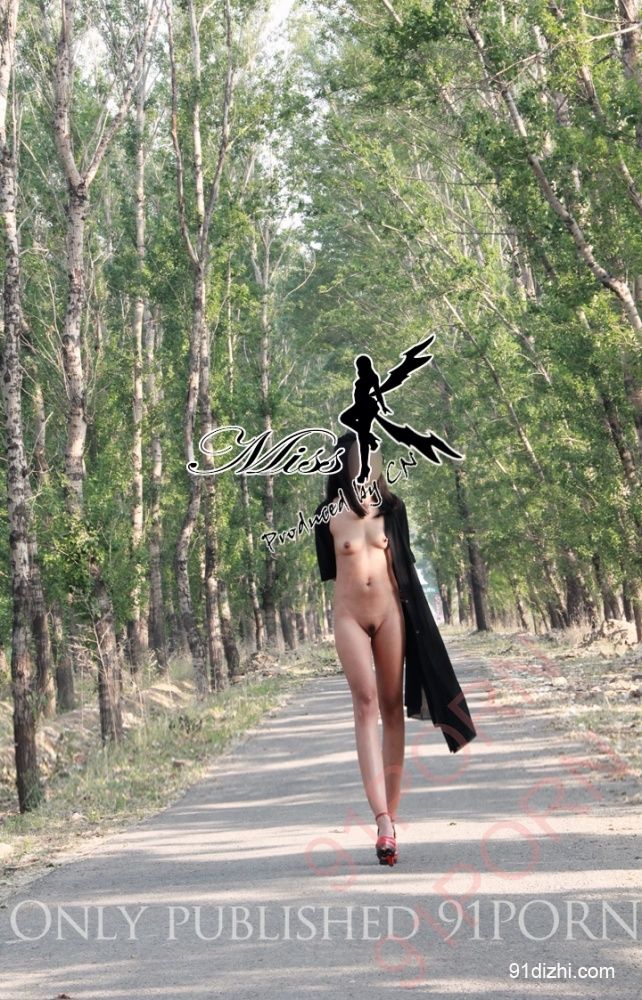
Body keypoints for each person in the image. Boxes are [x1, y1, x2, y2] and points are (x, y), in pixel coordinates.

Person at [313, 430, 477, 867]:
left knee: (390, 706)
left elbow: (402, 569)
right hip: (349, 617)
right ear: (343, 464)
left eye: (373, 458)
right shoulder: (326, 515)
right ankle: (381, 817)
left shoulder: (394, 509)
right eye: (358, 459)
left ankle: (391, 822)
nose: (367, 466)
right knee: (365, 702)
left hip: (390, 615)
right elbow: (332, 572)